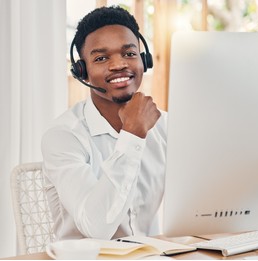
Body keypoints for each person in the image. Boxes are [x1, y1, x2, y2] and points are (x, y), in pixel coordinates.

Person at [41, 6, 167, 241]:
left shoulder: (165, 125)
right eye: (101, 58)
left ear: (144, 61)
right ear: (82, 72)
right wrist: (132, 135)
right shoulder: (63, 136)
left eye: (129, 53)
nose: (119, 64)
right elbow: (97, 228)